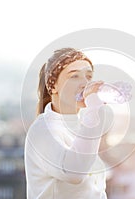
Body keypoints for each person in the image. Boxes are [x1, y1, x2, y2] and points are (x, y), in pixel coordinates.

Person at [24, 48, 111, 199]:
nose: (85, 83)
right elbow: (74, 172)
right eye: (74, 76)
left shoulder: (80, 127)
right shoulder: (42, 130)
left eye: (88, 76)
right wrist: (95, 110)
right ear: (53, 86)